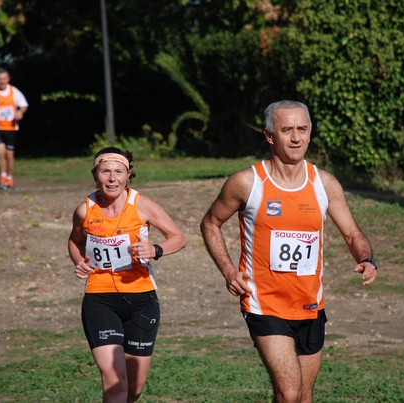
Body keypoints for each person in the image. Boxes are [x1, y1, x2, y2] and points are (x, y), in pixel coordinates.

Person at [200, 100, 378, 403]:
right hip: (264, 304)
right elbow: (211, 223)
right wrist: (229, 272)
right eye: (287, 130)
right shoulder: (247, 182)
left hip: (310, 304)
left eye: (302, 129)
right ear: (270, 136)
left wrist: (366, 258)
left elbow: (352, 233)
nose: (296, 137)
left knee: (303, 397)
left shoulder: (324, 183)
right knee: (289, 390)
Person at [68, 147, 186, 402]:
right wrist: (80, 262)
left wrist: (155, 249)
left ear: (128, 175)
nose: (112, 178)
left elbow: (178, 237)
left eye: (119, 172)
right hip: (99, 299)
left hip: (142, 299)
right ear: (95, 174)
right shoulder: (84, 210)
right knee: (114, 381)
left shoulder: (141, 205)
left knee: (133, 389)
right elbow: (75, 241)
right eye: (105, 171)